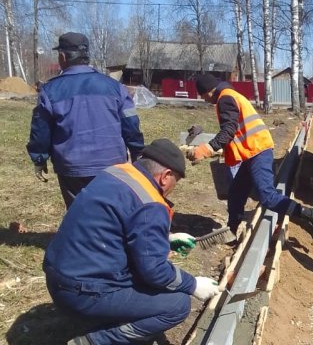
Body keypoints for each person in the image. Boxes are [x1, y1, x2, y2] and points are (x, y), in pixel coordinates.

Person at [44, 138, 221, 345]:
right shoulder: (150, 202)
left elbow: (119, 226)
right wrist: (193, 285)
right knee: (177, 304)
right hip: (82, 292)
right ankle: (94, 341)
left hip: (58, 278)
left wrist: (167, 238)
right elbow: (155, 272)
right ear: (165, 176)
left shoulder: (116, 173)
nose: (173, 189)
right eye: (176, 183)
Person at [186, 73, 313, 237]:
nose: (204, 100)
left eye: (203, 96)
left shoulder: (225, 98)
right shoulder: (231, 95)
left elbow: (228, 130)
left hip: (257, 150)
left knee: (267, 196)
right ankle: (232, 230)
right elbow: (237, 131)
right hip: (253, 150)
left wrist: (207, 149)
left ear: (208, 91)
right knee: (236, 193)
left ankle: (308, 213)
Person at [26, 32, 144, 209]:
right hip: (112, 165)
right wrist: (137, 152)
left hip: (71, 167)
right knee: (110, 212)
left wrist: (39, 159)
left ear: (63, 56)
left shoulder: (50, 91)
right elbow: (131, 123)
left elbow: (41, 130)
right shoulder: (115, 88)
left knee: (78, 213)